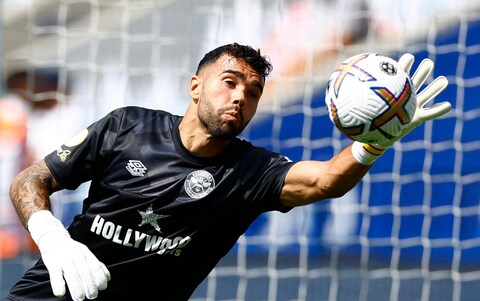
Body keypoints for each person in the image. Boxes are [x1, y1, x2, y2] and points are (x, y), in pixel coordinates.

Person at [6, 43, 451, 301]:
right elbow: (31, 180)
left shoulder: (250, 171)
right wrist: (52, 238)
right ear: (195, 86)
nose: (241, 97)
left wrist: (375, 143)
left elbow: (325, 181)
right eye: (230, 82)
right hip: (52, 292)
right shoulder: (127, 126)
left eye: (254, 92)